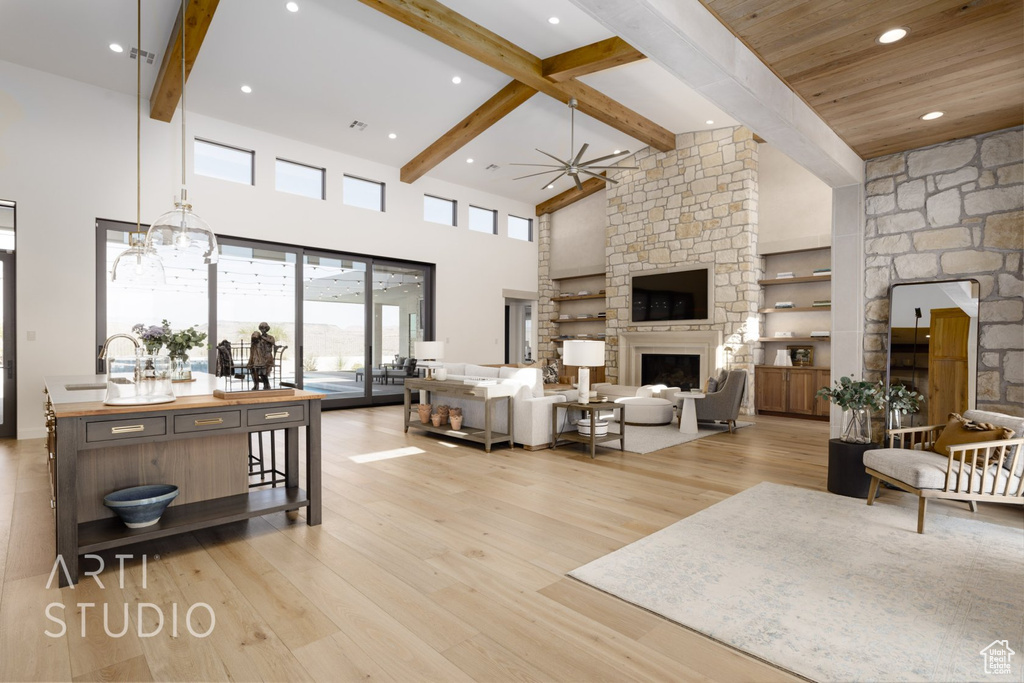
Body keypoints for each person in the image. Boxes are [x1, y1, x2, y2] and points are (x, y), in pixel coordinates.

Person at [247, 322, 276, 390]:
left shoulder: (270, 337)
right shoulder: (259, 338)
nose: (263, 330)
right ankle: (256, 384)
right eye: (262, 328)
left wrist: (262, 337)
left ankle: (266, 384)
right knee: (253, 369)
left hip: (267, 358)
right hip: (259, 358)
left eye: (265, 328)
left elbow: (272, 342)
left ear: (267, 329)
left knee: (263, 371)